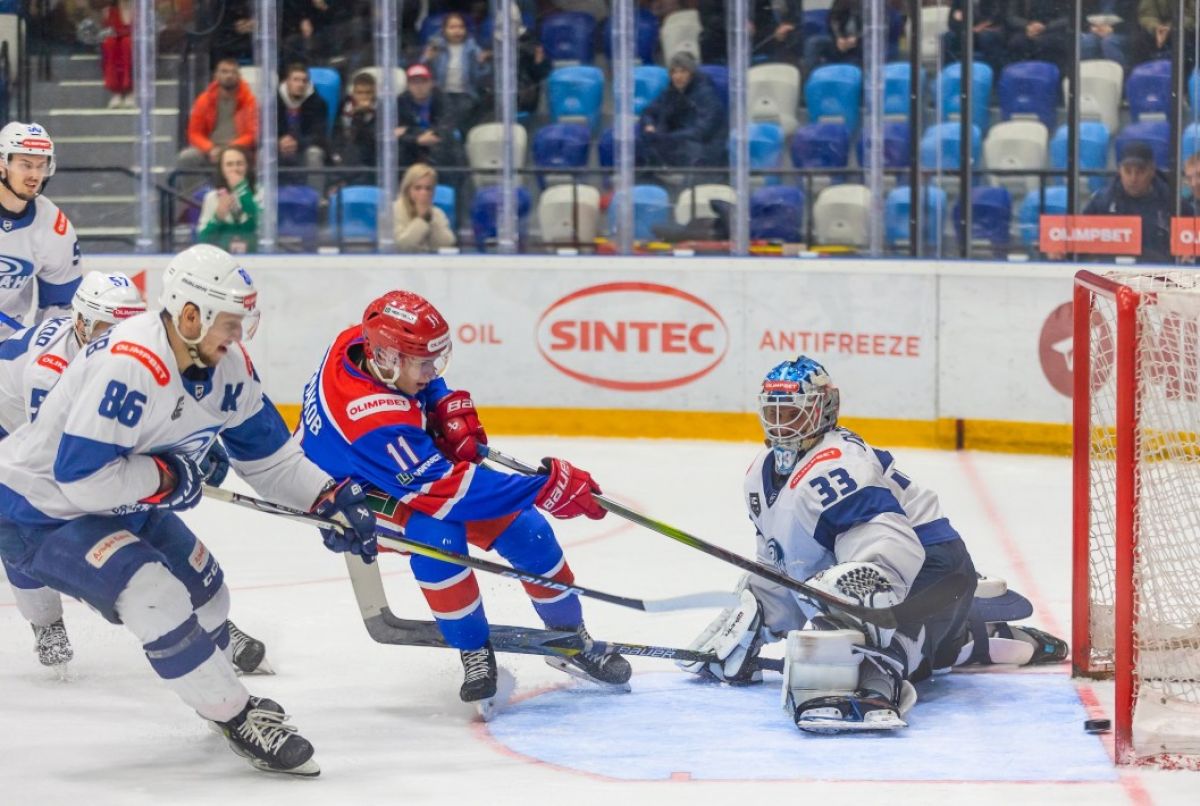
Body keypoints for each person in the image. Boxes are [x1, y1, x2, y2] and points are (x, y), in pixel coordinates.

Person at [0, 244, 377, 775]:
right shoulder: (131, 365)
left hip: (120, 497)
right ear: (190, 315)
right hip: (38, 510)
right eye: (230, 323)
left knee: (210, 596)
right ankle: (237, 716)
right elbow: (81, 480)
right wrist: (168, 477)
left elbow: (270, 460)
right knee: (154, 593)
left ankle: (205, 673)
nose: (239, 337)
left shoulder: (230, 366)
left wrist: (327, 498)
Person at [679, 357, 1067, 732]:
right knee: (808, 609)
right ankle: (962, 637)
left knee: (871, 640)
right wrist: (757, 615)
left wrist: (844, 615)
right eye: (775, 412)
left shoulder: (838, 465)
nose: (782, 425)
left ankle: (921, 662)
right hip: (903, 575)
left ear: (824, 408)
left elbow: (891, 550)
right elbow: (782, 567)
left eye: (794, 413)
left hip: (932, 570)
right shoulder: (758, 475)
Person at [296, 290, 630, 709]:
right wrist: (542, 488)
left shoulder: (358, 342)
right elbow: (450, 494)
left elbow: (423, 395)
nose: (432, 370)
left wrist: (439, 402)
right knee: (438, 537)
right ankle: (473, 648)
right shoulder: (372, 419)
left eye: (436, 360)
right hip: (346, 493)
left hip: (398, 460)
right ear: (386, 359)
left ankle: (570, 639)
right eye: (423, 365)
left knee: (528, 532)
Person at [0, 271, 144, 672]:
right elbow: (52, 456)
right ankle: (45, 623)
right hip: (8, 423)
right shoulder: (48, 371)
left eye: (128, 329)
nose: (119, 341)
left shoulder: (125, 355)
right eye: (107, 330)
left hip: (28, 420)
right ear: (81, 322)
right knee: (17, 520)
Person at [0, 122, 81, 341]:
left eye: (41, 166)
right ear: (2, 164)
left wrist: (38, 351)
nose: (35, 175)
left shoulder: (55, 228)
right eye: (25, 165)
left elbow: (60, 307)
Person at [176, 58, 259, 197]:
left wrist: (231, 149)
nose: (229, 75)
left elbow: (252, 133)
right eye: (224, 72)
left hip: (240, 149)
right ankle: (193, 203)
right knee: (186, 157)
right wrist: (210, 148)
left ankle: (252, 200)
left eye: (233, 72)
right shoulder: (204, 99)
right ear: (216, 76)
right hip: (211, 150)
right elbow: (194, 133)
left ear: (239, 76)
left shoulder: (249, 100)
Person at [636, 52, 728, 171]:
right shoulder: (671, 92)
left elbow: (702, 130)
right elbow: (649, 111)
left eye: (683, 71)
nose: (678, 76)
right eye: (674, 72)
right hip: (676, 142)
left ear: (691, 74)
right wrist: (649, 124)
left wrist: (667, 137)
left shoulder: (706, 95)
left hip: (704, 147)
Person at [1083, 140, 1171, 264]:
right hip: (1109, 274)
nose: (1133, 178)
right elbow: (1079, 238)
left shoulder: (1171, 202)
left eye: (1140, 172)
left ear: (1152, 170)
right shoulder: (1102, 202)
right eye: (1128, 171)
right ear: (1119, 170)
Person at [422, 12, 491, 137]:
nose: (457, 31)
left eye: (460, 27)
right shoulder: (435, 47)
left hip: (465, 94)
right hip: (441, 94)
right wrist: (427, 59)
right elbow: (423, 71)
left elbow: (480, 77)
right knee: (443, 112)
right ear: (444, 30)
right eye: (452, 27)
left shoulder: (473, 48)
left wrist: (481, 64)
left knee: (462, 111)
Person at [396, 64, 468, 181]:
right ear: (408, 86)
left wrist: (410, 132)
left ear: (431, 83)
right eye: (414, 82)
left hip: (440, 149)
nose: (419, 86)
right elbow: (394, 133)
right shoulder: (400, 103)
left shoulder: (443, 99)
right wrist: (417, 140)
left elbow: (446, 125)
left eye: (423, 82)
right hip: (411, 152)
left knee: (450, 145)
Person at [276, 63, 329, 194]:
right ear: (287, 82)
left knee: (314, 154)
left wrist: (297, 142)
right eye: (296, 80)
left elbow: (320, 135)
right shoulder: (273, 101)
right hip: (279, 148)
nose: (300, 84)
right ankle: (264, 198)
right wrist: (279, 142)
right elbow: (264, 132)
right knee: (264, 153)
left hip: (304, 148)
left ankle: (316, 198)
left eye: (304, 81)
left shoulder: (318, 103)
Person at [197, 145, 260, 254]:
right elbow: (203, 239)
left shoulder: (259, 193)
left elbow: (257, 225)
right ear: (221, 169)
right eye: (229, 164)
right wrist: (217, 217)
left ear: (247, 166)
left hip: (255, 257)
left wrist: (242, 189)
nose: (235, 169)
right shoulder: (212, 197)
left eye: (239, 164)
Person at [393, 163, 456, 252]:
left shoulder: (437, 213)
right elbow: (403, 246)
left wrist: (430, 218)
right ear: (407, 189)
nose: (423, 193)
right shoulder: (394, 210)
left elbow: (447, 244)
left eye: (428, 188)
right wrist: (421, 219)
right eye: (417, 188)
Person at [331, 70, 378, 188]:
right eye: (360, 93)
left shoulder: (381, 110)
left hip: (370, 159)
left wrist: (360, 115)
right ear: (353, 93)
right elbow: (336, 132)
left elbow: (369, 139)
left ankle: (342, 183)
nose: (364, 97)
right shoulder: (344, 106)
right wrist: (335, 153)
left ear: (375, 93)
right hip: (344, 155)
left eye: (368, 93)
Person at [942, 0, 1011, 71]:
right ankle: (948, 74)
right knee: (947, 38)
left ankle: (993, 74)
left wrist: (980, 27)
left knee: (987, 37)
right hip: (965, 32)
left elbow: (995, 17)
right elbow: (951, 22)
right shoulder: (959, 1)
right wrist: (967, 29)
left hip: (987, 31)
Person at [804, 0, 865, 72]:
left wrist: (856, 38)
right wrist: (839, 38)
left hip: (860, 43)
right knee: (813, 42)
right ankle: (813, 76)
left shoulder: (870, 5)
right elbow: (833, 20)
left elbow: (871, 28)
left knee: (869, 47)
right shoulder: (840, 2)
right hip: (839, 41)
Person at [100, 1, 133, 108]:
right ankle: (116, 91)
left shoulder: (141, 11)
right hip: (116, 44)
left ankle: (130, 90)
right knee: (110, 43)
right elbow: (105, 32)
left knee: (127, 43)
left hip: (133, 44)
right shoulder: (108, 11)